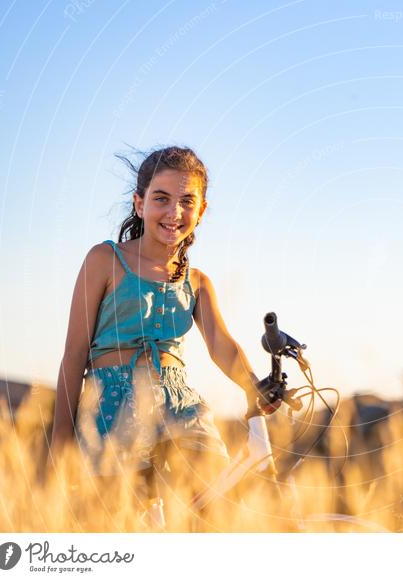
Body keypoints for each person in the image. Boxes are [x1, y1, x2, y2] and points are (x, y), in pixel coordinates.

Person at [49, 146, 272, 522]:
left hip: (180, 403)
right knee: (118, 520)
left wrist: (253, 385)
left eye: (187, 201)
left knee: (216, 507)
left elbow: (221, 345)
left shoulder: (197, 282)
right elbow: (74, 355)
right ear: (139, 204)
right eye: (161, 199)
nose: (174, 212)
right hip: (111, 403)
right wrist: (60, 444)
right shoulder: (105, 260)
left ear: (201, 211)